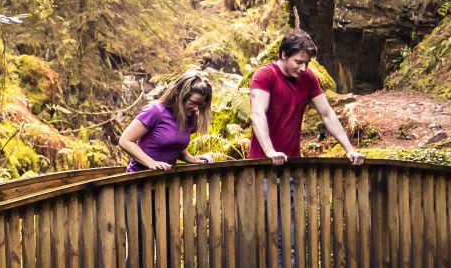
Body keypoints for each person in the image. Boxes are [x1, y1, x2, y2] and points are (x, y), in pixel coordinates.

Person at [248, 30, 365, 165]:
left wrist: (350, 149)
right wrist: (270, 151)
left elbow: (327, 114)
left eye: (307, 63)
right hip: (262, 164)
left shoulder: (308, 77)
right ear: (284, 55)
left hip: (293, 164)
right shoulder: (266, 74)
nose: (303, 68)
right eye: (298, 62)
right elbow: (257, 113)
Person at [119, 70, 219, 172]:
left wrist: (191, 158)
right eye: (192, 103)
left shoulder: (191, 117)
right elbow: (125, 140)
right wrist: (151, 163)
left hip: (166, 182)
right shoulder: (155, 111)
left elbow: (174, 145)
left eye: (200, 104)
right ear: (179, 95)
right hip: (139, 181)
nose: (196, 108)